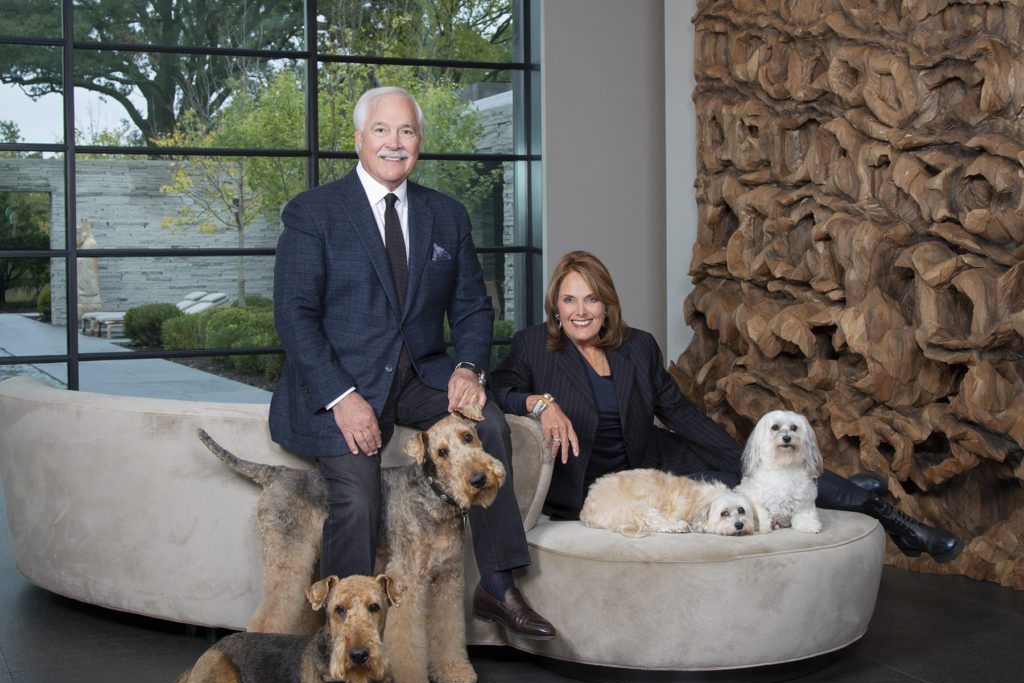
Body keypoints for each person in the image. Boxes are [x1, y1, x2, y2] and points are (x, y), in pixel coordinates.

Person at [269, 86, 555, 639]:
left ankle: (496, 585)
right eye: (381, 130)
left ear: (418, 142)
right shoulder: (314, 212)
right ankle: (344, 641)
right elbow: (294, 315)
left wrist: (468, 368)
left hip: (421, 378)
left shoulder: (445, 216)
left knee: (490, 425)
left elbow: (473, 305)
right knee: (356, 495)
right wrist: (340, 397)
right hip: (342, 386)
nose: (394, 143)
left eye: (406, 132)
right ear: (359, 139)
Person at [489, 250, 964, 563]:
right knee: (746, 480)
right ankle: (851, 492)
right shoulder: (534, 346)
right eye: (569, 300)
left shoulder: (638, 346)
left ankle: (894, 520)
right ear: (555, 307)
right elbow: (500, 390)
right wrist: (539, 402)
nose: (580, 310)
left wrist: (739, 453)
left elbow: (677, 410)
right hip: (598, 487)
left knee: (755, 471)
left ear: (607, 304)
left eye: (591, 298)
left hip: (653, 459)